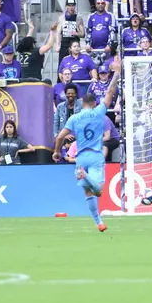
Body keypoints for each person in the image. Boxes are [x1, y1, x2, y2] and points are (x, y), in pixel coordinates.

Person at [52, 57, 122, 232]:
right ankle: (86, 177)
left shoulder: (74, 118)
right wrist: (117, 73)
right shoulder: (99, 112)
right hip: (96, 155)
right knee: (98, 191)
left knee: (89, 194)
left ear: (82, 104)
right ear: (94, 104)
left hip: (80, 157)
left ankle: (98, 222)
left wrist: (56, 152)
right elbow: (110, 93)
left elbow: (60, 136)